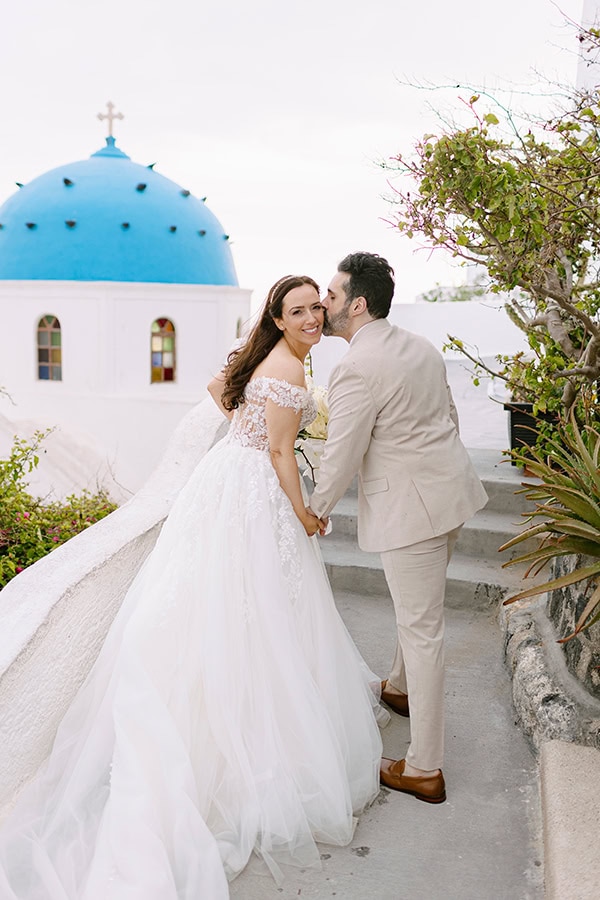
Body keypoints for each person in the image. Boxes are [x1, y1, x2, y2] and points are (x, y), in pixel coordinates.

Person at [0, 275, 387, 898]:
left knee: (225, 598)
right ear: (279, 318)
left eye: (319, 306)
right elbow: (284, 455)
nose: (314, 317)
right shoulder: (288, 373)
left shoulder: (260, 356)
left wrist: (245, 426)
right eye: (300, 310)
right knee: (261, 603)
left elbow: (218, 388)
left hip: (222, 478)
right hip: (255, 487)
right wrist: (305, 514)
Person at [309, 252, 488, 804]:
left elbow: (342, 455)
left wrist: (313, 510)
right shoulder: (420, 346)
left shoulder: (355, 368)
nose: (323, 305)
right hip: (451, 492)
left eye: (332, 297)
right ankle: (400, 689)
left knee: (422, 628)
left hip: (413, 514)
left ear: (357, 305)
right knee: (420, 613)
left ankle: (424, 767)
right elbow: (450, 418)